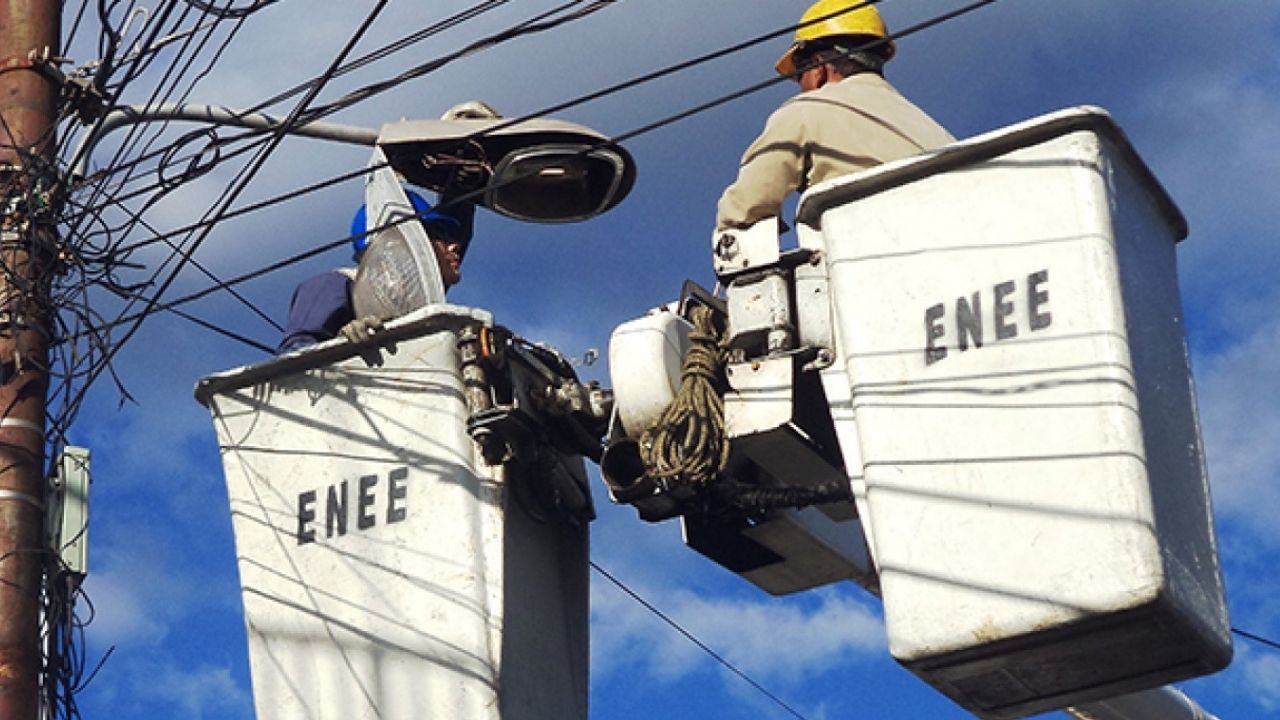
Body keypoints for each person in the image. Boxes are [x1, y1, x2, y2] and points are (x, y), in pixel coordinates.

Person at [715, 0, 955, 235]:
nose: (800, 87)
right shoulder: (935, 130)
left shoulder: (807, 109)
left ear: (820, 66)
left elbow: (743, 209)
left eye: (800, 75)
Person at [275, 190, 471, 353]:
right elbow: (296, 356)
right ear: (401, 242)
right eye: (440, 235)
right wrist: (339, 348)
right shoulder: (335, 284)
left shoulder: (413, 300)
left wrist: (465, 187)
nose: (454, 246)